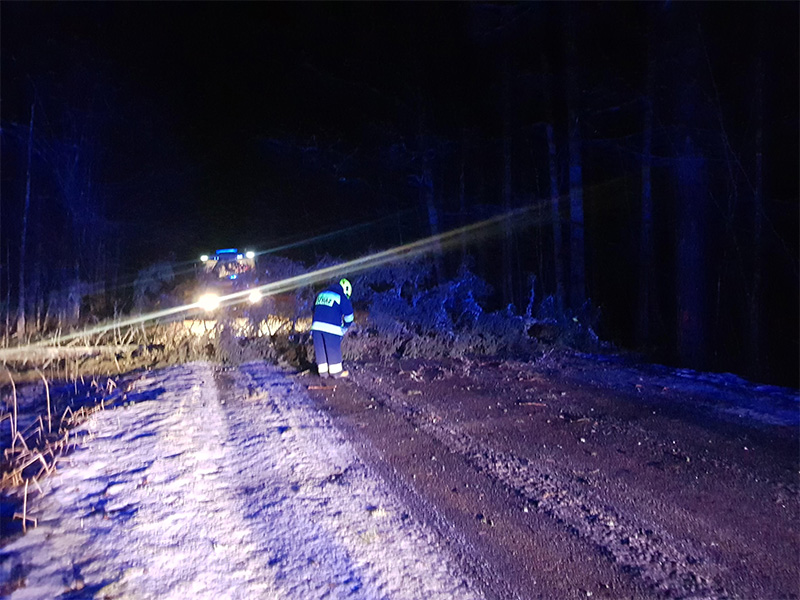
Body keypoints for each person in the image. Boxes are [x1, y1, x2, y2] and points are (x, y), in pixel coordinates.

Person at [311, 278, 354, 378]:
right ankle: (336, 372)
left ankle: (323, 372)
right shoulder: (341, 296)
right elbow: (349, 316)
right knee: (332, 348)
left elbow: (313, 309)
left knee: (320, 349)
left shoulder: (321, 294)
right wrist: (345, 327)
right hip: (331, 328)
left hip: (316, 327)